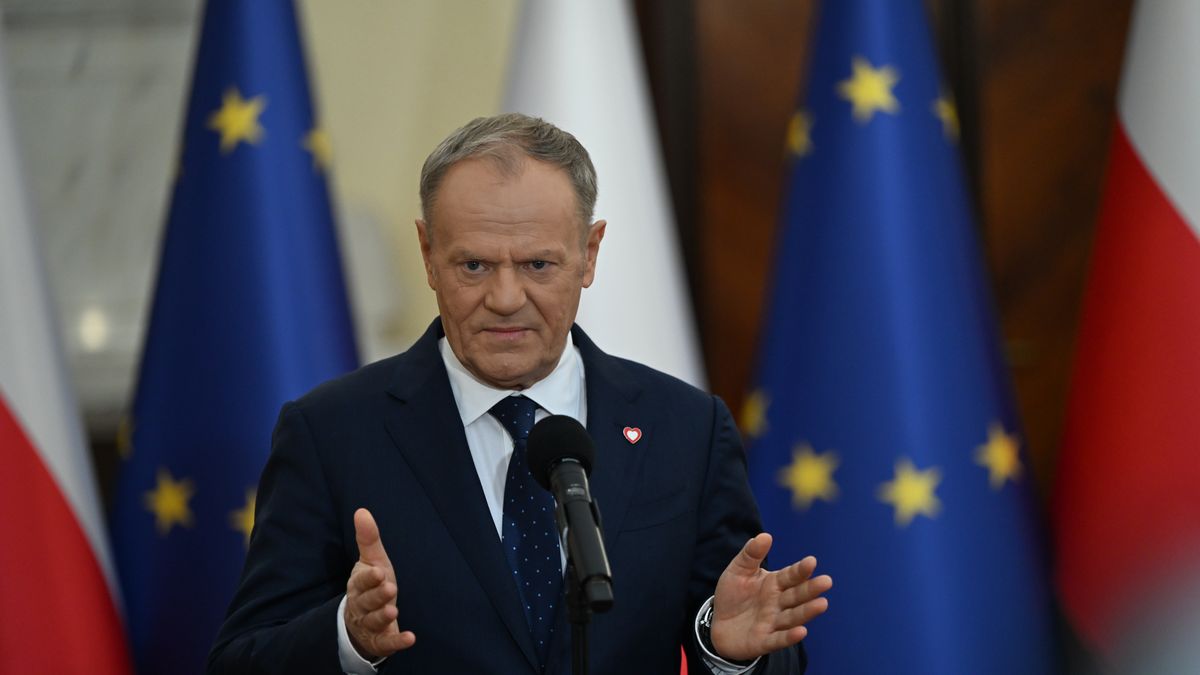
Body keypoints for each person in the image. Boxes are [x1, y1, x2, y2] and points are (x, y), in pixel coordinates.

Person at [208, 113, 831, 674]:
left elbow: (751, 635)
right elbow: (241, 660)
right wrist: (347, 638)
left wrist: (724, 650)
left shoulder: (687, 429)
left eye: (538, 265)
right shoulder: (331, 434)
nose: (505, 299)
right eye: (474, 265)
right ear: (428, 254)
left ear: (589, 254)